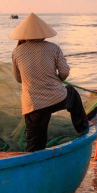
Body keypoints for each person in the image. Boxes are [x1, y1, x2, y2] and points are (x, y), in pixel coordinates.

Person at [10, 13, 89, 152]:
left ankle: (32, 167)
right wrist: (56, 80)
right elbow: (64, 72)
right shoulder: (53, 48)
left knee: (34, 145)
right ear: (43, 33)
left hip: (33, 105)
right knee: (72, 93)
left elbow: (18, 79)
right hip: (56, 98)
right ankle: (82, 127)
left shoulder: (17, 52)